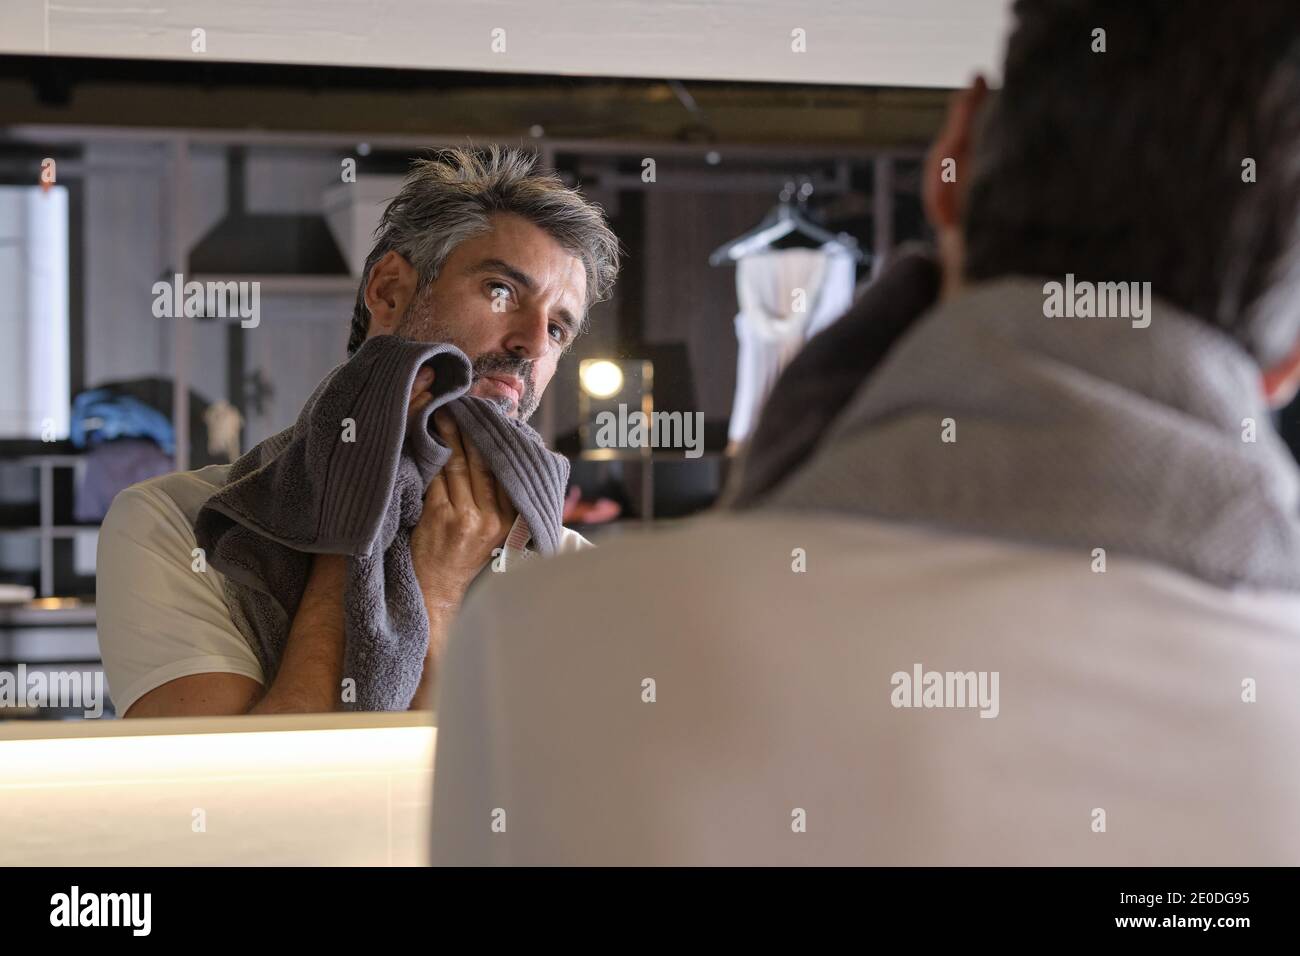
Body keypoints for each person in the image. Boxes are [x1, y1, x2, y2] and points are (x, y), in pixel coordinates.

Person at [430, 2, 1300, 864]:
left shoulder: (544, 647)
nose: (533, 342)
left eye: (560, 324)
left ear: (954, 153)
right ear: (1292, 358)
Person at [97, 146, 619, 717]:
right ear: (390, 290)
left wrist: (437, 599)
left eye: (559, 328)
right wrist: (352, 526)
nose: (533, 342)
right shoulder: (174, 525)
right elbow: (227, 799)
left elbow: (507, 798)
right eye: (502, 292)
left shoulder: (570, 573)